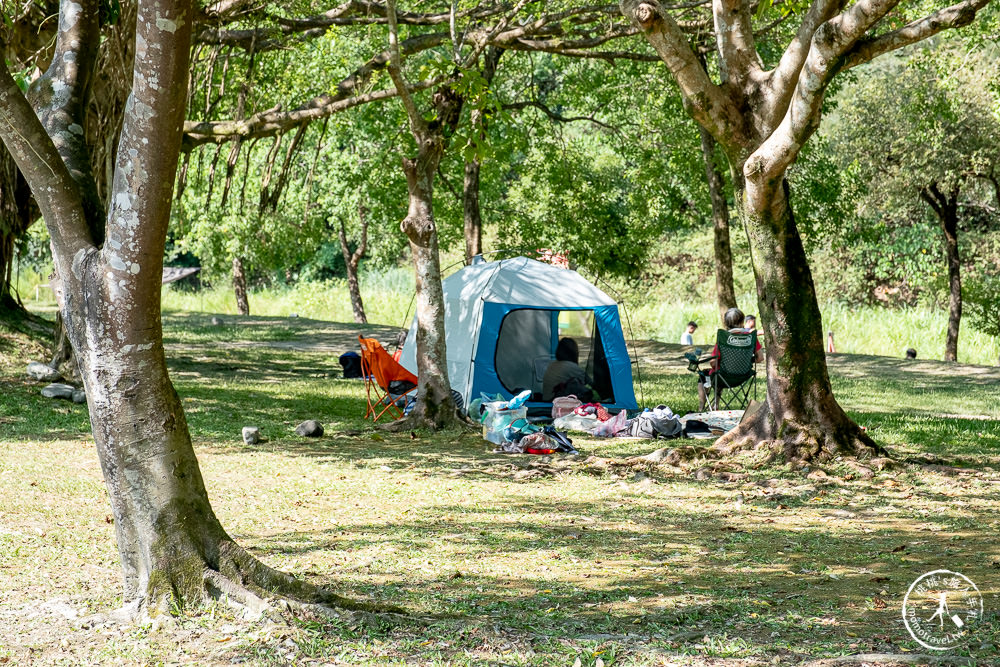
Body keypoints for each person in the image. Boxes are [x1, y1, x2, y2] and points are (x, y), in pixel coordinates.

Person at [697, 307, 763, 411]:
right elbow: (760, 358)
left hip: (723, 376)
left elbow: (713, 363)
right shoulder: (751, 336)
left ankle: (701, 408)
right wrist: (745, 361)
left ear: (726, 323)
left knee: (707, 374)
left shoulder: (724, 337)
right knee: (719, 374)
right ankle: (715, 405)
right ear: (742, 321)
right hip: (743, 376)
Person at [542, 337, 594, 402]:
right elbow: (586, 385)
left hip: (546, 400)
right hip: (556, 403)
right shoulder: (573, 368)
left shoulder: (552, 365)